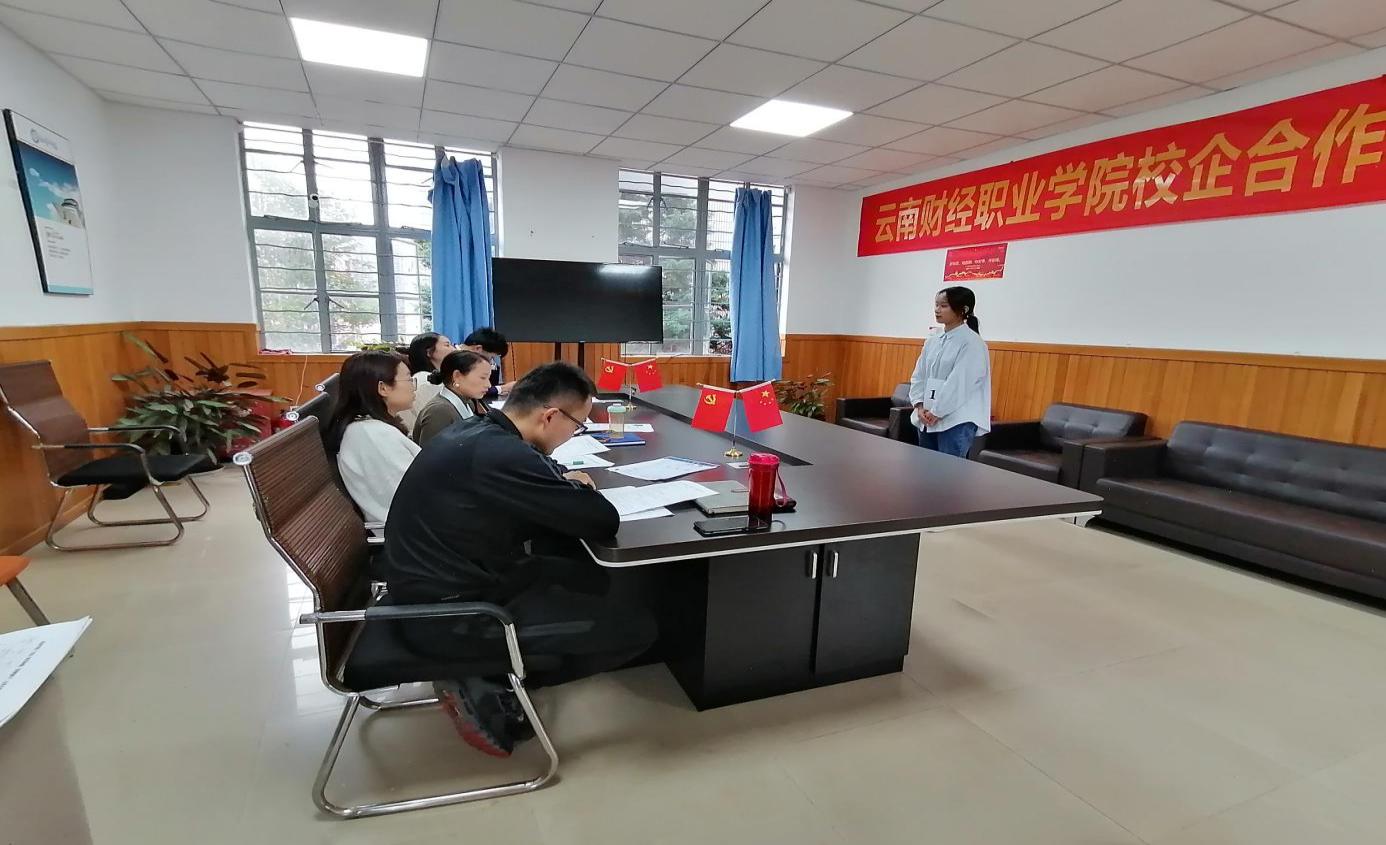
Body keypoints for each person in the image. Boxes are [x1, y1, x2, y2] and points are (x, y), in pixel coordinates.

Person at [383, 362, 656, 757]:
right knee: (639, 629)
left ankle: (490, 668)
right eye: (577, 426)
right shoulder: (501, 453)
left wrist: (557, 481)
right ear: (550, 416)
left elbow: (541, 472)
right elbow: (601, 519)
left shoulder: (480, 430)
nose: (573, 434)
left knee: (595, 579)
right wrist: (574, 491)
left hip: (446, 581)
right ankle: (487, 677)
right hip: (451, 614)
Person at [324, 351, 421, 524]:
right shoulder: (372, 436)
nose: (414, 386)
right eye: (408, 379)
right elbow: (412, 496)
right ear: (383, 388)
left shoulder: (370, 429)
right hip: (414, 530)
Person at [909, 286, 991, 458]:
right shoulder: (933, 341)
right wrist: (919, 405)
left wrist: (937, 411)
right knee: (924, 467)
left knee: (949, 471)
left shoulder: (972, 343)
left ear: (963, 309)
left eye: (944, 306)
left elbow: (960, 383)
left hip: (956, 420)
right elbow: (919, 375)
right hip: (927, 417)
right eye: (936, 305)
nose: (937, 310)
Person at [412, 349, 493, 446]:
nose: (488, 385)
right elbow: (431, 453)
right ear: (457, 376)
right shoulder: (439, 411)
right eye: (483, 378)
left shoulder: (468, 403)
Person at [400, 332, 453, 431]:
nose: (453, 349)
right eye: (447, 345)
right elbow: (435, 420)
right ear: (429, 352)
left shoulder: (428, 378)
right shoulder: (426, 382)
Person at [461, 327, 515, 399]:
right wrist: (503, 388)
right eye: (491, 357)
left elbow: (490, 384)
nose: (491, 362)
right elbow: (471, 389)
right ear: (478, 349)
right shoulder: (454, 359)